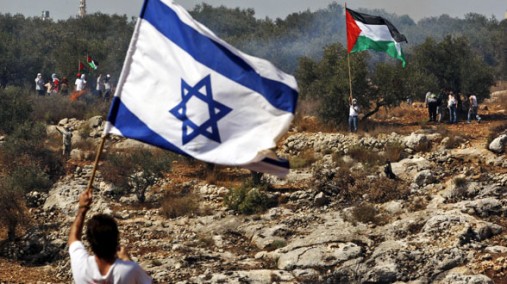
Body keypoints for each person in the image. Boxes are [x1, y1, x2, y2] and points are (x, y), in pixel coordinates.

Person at [68, 189, 152, 283]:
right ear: (116, 238)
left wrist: (82, 209)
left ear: (89, 240)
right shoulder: (130, 270)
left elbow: (73, 238)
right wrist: (127, 259)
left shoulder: (81, 266)